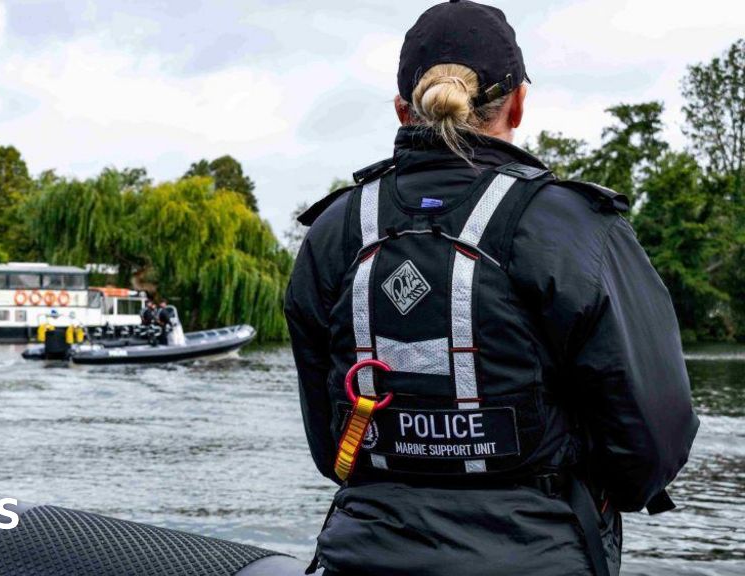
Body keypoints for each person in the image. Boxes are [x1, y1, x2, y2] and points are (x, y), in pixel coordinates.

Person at [283, 2, 699, 575]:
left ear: (405, 111)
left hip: (362, 554)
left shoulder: (334, 232)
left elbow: (333, 448)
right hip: (542, 555)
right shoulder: (574, 227)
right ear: (519, 105)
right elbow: (654, 439)